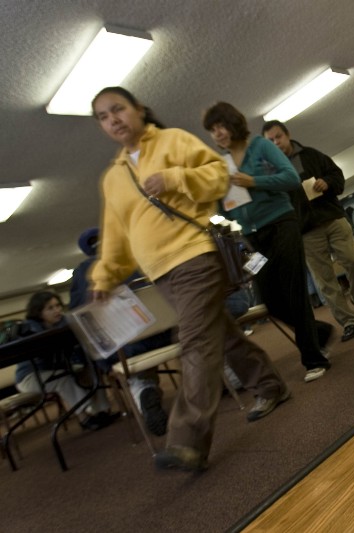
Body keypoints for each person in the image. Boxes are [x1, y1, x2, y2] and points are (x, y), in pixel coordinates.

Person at [90, 87, 290, 472]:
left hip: (195, 255)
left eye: (118, 109)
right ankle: (271, 386)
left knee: (195, 341)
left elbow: (219, 177)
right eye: (103, 116)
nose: (112, 119)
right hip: (161, 273)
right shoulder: (112, 179)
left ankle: (187, 440)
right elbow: (116, 234)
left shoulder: (172, 141)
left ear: (139, 110)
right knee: (221, 334)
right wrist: (105, 276)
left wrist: (176, 178)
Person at [202, 102, 333, 383]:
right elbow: (229, 208)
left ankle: (313, 358)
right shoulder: (221, 164)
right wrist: (216, 202)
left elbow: (289, 178)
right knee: (270, 301)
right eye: (212, 131)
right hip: (253, 235)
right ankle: (318, 332)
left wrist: (253, 181)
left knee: (295, 291)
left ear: (233, 124)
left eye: (220, 127)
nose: (217, 134)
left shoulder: (261, 146)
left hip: (281, 223)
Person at [262, 120, 354, 342]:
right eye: (270, 141)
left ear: (287, 135)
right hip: (305, 232)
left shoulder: (311, 155)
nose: (276, 143)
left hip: (331, 217)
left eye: (278, 137)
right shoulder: (271, 173)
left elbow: (337, 176)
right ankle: (349, 322)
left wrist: (327, 182)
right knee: (324, 280)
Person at [69, 227, 170, 436]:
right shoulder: (133, 257)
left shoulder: (81, 274)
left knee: (127, 360)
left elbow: (79, 316)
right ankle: (227, 378)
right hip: (162, 335)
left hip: (121, 348)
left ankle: (142, 389)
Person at [15, 291, 119, 431]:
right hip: (29, 377)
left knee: (91, 369)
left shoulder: (63, 322)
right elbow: (43, 358)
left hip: (58, 369)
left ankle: (102, 411)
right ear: (38, 312)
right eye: (50, 308)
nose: (57, 310)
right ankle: (84, 418)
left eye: (58, 306)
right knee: (63, 379)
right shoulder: (30, 329)